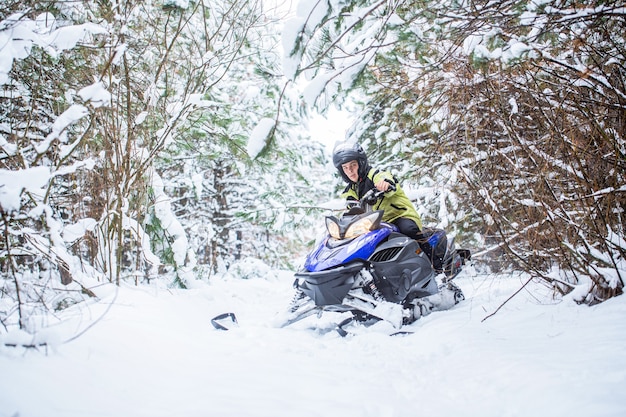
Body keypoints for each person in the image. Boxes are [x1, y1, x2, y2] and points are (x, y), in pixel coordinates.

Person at [332, 141, 447, 272]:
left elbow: (386, 178)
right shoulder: (350, 191)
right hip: (375, 224)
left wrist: (385, 184)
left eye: (353, 165)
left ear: (361, 163)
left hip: (398, 216)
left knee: (409, 229)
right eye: (345, 167)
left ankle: (436, 267)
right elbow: (351, 209)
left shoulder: (374, 175)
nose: (350, 171)